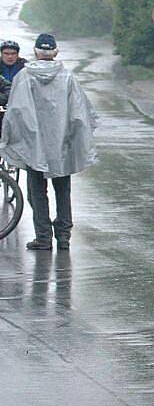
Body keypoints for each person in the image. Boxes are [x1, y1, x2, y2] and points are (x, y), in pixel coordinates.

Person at [0, 33, 99, 251]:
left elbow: (16, 113)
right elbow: (80, 114)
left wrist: (10, 139)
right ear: (55, 53)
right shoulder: (67, 78)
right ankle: (63, 237)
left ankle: (43, 237)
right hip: (62, 146)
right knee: (62, 191)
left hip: (34, 148)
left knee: (37, 191)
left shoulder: (24, 77)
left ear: (35, 52)